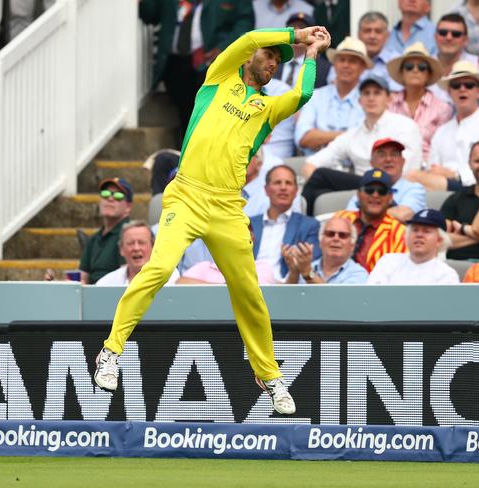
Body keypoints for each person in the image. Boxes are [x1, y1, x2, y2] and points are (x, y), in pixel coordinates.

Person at [93, 25, 333, 416]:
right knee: (157, 269)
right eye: (268, 55)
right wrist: (298, 34)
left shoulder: (267, 109)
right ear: (252, 59)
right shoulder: (219, 78)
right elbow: (247, 40)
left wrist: (311, 55)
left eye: (277, 59)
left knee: (248, 291)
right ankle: (110, 352)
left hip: (226, 207)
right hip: (187, 194)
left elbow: (303, 93)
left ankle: (268, 374)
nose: (271, 62)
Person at [300, 75, 423, 214]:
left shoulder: (404, 125)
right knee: (319, 192)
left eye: (377, 93)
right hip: (361, 189)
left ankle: (302, 223)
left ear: (389, 99)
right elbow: (311, 164)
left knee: (321, 175)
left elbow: (406, 170)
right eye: (366, 93)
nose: (371, 98)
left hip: (394, 186)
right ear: (359, 101)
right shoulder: (353, 134)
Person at [139, 0, 255, 142]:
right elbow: (148, 14)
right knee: (186, 116)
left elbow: (245, 22)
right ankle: (186, 154)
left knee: (207, 115)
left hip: (210, 62)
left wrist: (223, 48)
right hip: (175, 63)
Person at [407, 61, 479, 191]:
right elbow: (433, 169)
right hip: (443, 190)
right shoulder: (442, 131)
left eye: (469, 85)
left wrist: (455, 175)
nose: (462, 89)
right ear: (450, 92)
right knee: (410, 178)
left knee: (413, 176)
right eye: (456, 86)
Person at [295, 36, 370, 154]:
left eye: (352, 61)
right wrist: (349, 136)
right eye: (342, 60)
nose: (346, 65)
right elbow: (303, 138)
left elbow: (366, 141)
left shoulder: (369, 99)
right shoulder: (316, 96)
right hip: (316, 167)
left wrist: (321, 137)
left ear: (363, 67)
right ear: (334, 64)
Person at [250, 165, 321, 280]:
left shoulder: (309, 225)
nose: (283, 187)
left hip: (287, 289)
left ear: (296, 191)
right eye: (277, 182)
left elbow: (313, 264)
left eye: (288, 183)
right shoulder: (249, 224)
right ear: (266, 190)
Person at [386, 42, 452, 161]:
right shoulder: (388, 104)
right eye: (409, 67)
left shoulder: (443, 108)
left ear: (428, 74)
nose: (415, 70)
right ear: (402, 73)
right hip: (391, 164)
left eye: (422, 67)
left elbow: (441, 147)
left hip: (426, 167)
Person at [334, 169, 407, 272]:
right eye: (369, 190)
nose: (375, 195)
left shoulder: (399, 233)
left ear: (390, 198)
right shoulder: (341, 218)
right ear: (358, 195)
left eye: (382, 191)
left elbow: (399, 273)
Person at [343, 138, 427, 223]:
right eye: (381, 155)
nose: (388, 159)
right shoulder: (364, 191)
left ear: (403, 162)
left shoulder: (414, 189)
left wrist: (367, 213)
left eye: (394, 154)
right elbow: (348, 220)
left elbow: (404, 215)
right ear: (372, 163)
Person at [367, 209, 460, 284]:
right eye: (415, 230)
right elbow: (371, 298)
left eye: (426, 231)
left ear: (439, 240)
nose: (419, 235)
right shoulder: (388, 262)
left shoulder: (447, 275)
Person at [79, 178, 133, 284]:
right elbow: (82, 278)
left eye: (118, 196)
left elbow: (128, 277)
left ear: (128, 207)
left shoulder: (130, 235)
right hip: (91, 295)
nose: (110, 198)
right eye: (105, 194)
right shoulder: (94, 238)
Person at [283, 216, 368, 284]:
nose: (336, 239)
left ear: (352, 245)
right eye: (330, 234)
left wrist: (308, 273)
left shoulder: (358, 273)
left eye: (342, 235)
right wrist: (294, 272)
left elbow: (338, 303)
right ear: (320, 242)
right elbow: (284, 300)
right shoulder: (305, 266)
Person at [96, 221, 180, 286]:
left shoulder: (169, 276)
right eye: (130, 243)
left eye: (141, 242)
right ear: (121, 249)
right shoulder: (106, 283)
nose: (136, 248)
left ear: (153, 247)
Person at [428, 13, 478, 104]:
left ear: (466, 40)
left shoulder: (478, 66)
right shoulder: (423, 65)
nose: (448, 37)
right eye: (443, 33)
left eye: (456, 34)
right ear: (435, 37)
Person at [273, 12, 331, 89]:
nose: (297, 32)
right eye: (293, 28)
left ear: (313, 34)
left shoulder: (325, 68)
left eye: (302, 28)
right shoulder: (274, 60)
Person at [356, 11, 400, 89]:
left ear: (387, 36)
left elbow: (397, 92)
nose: (372, 36)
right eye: (367, 31)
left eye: (378, 31)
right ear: (359, 35)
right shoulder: (346, 59)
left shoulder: (397, 61)